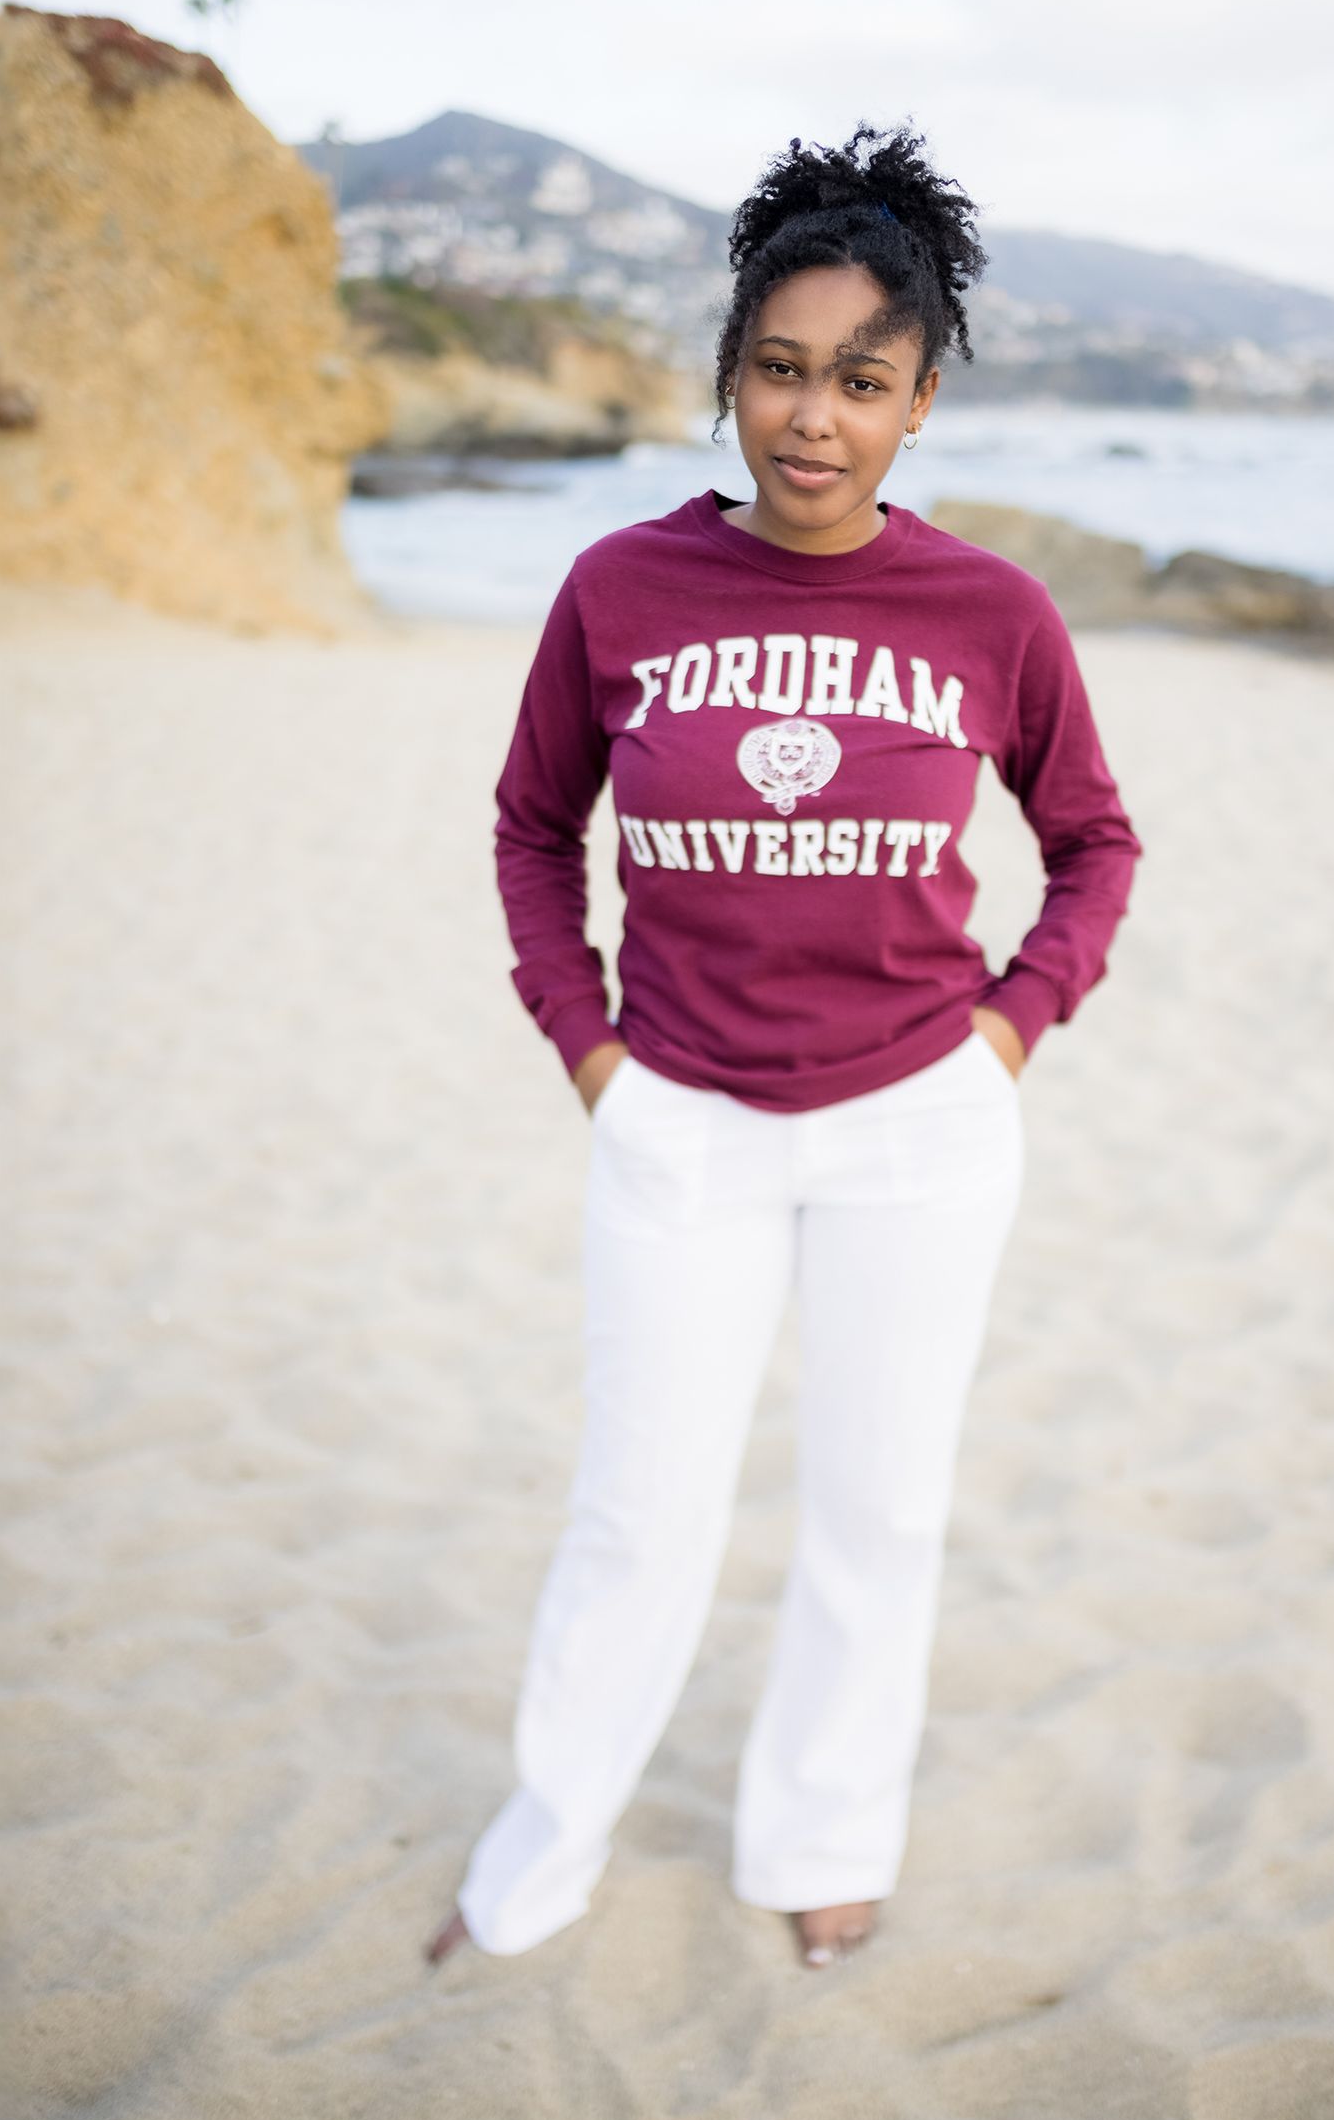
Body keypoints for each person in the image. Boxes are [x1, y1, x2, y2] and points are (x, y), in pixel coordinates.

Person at [425, 121, 1143, 1974]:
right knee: (637, 1512)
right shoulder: (619, 592)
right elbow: (529, 831)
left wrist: (1007, 1029)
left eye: (864, 382)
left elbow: (1094, 844)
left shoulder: (992, 615)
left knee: (876, 1512)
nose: (814, 417)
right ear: (730, 371)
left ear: (920, 409)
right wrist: (587, 1046)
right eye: (781, 369)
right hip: (678, 1124)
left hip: (921, 1124)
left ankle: (823, 1833)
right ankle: (550, 1833)